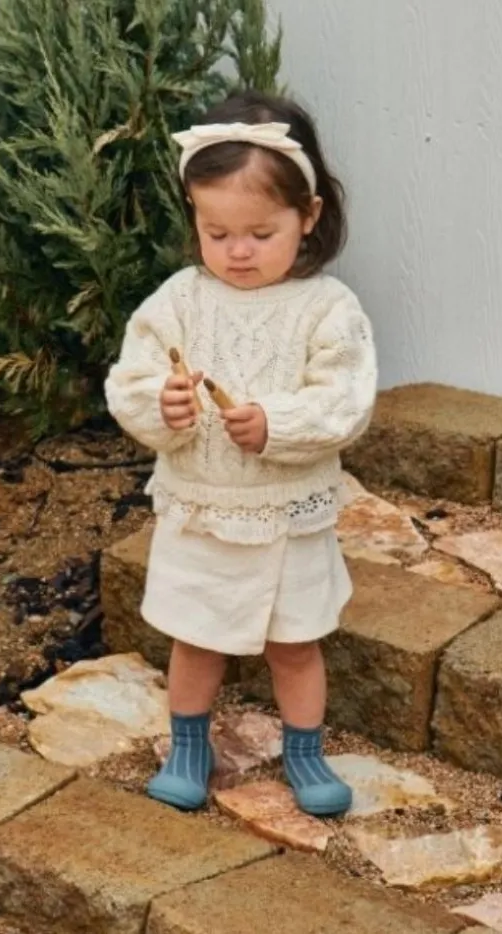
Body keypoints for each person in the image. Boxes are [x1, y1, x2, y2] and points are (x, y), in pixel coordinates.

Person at [104, 90, 378, 817]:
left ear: (308, 216)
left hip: (287, 516)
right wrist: (161, 407)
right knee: (195, 638)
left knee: (296, 643)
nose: (238, 251)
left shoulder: (327, 309)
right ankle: (188, 746)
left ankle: (305, 751)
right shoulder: (178, 301)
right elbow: (130, 380)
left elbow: (346, 400)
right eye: (216, 231)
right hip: (203, 511)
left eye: (260, 231)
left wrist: (276, 425)